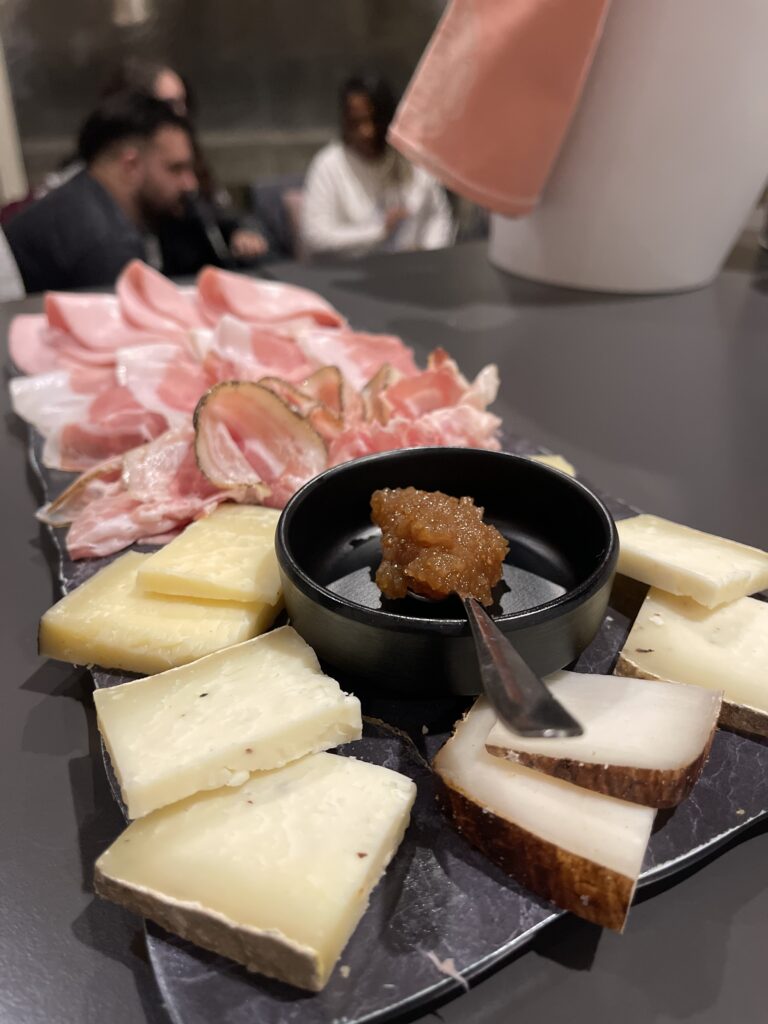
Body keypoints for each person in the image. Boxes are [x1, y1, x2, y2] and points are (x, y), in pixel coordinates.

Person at [5, 92, 198, 292]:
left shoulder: (79, 193)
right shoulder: (107, 245)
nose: (190, 183)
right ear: (130, 165)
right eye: (176, 168)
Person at [101, 57, 267, 267]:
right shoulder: (100, 180)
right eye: (170, 105)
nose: (182, 114)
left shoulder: (189, 155)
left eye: (184, 103)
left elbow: (220, 211)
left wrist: (241, 230)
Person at [300, 76, 453, 259]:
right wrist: (377, 231)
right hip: (350, 273)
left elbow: (437, 216)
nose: (367, 131)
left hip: (415, 271)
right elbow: (315, 236)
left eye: (374, 120)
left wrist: (430, 254)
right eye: (356, 122)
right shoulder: (329, 164)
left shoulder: (409, 158)